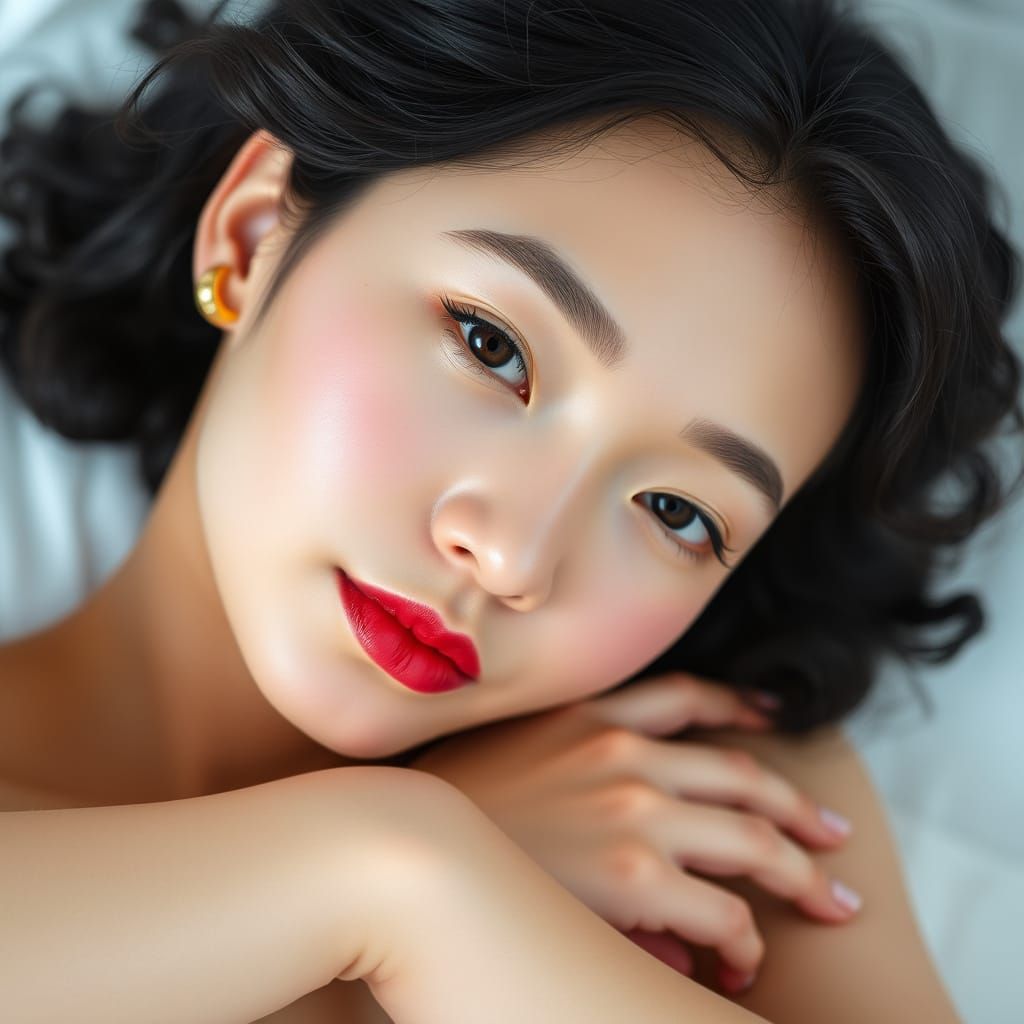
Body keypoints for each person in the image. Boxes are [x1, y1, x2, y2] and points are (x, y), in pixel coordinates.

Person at [0, 0, 1019, 1019]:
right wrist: (387, 874)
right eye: (493, 347)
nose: (510, 557)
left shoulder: (706, 816)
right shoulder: (453, 866)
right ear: (255, 227)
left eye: (676, 511)